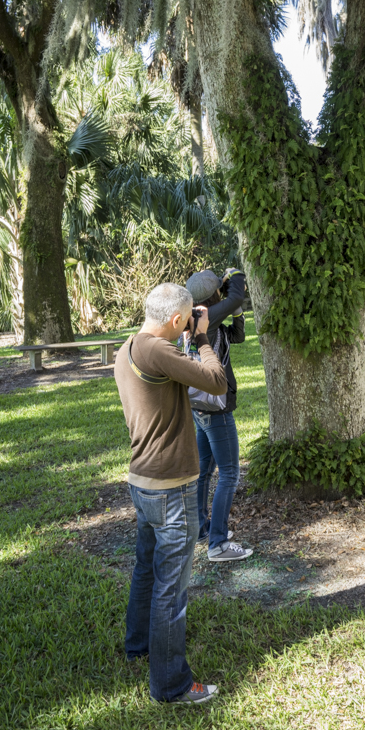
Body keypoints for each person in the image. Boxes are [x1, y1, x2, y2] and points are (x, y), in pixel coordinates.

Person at [114, 282, 227, 705]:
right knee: (170, 589)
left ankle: (138, 645)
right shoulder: (161, 351)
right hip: (171, 489)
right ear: (177, 320)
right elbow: (216, 381)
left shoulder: (130, 347)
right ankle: (171, 685)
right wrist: (200, 338)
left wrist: (185, 334)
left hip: (142, 480)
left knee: (146, 571)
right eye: (185, 320)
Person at [184, 267, 253, 562]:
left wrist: (237, 312)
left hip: (201, 407)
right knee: (229, 473)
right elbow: (237, 292)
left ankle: (201, 528)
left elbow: (237, 338)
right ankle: (218, 544)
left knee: (205, 471)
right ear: (214, 296)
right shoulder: (205, 317)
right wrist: (234, 274)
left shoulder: (196, 319)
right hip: (216, 407)